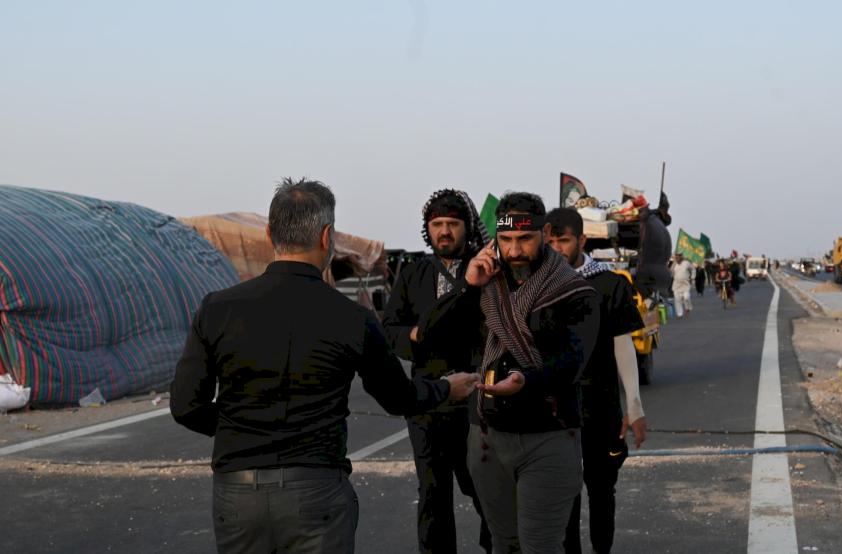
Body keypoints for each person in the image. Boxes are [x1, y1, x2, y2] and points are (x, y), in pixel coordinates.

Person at [170, 178, 479, 554]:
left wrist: (241, 430)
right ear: (327, 236)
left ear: (269, 234)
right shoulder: (351, 317)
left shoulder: (217, 308)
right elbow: (398, 398)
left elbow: (186, 405)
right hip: (315, 491)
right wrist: (447, 388)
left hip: (238, 493)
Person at [430, 192, 601, 553]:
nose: (515, 250)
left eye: (525, 238)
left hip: (549, 433)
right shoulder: (485, 284)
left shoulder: (574, 291)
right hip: (487, 436)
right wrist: (467, 286)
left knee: (541, 545)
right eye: (506, 240)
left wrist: (526, 381)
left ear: (545, 234)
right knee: (503, 544)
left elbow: (573, 362)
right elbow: (435, 336)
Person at [382, 189, 492, 554]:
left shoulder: (485, 271)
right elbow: (391, 330)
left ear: (467, 227)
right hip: (427, 401)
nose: (445, 231)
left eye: (453, 223)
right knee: (433, 494)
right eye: (437, 224)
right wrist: (414, 336)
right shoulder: (413, 273)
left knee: (484, 489)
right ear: (427, 229)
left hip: (477, 400)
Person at [543, 207, 647, 554]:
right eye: (550, 242)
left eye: (563, 241)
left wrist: (634, 406)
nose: (556, 249)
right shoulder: (535, 287)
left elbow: (623, 348)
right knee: (564, 496)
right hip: (555, 413)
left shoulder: (609, 284)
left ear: (582, 240)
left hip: (601, 408)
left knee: (602, 490)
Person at [670, 253, 695, 318]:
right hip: (676, 284)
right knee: (677, 299)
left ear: (681, 257)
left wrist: (692, 277)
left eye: (678, 256)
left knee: (686, 297)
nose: (677, 258)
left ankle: (688, 307)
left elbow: (693, 269)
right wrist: (672, 266)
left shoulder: (686, 263)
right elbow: (671, 273)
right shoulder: (674, 264)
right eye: (676, 256)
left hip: (685, 284)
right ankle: (679, 314)